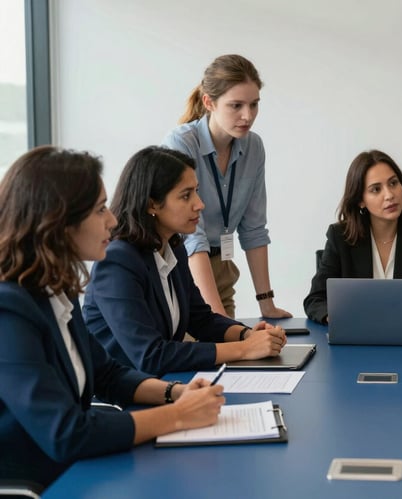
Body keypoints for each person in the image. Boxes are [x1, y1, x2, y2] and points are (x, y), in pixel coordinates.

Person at [0, 146, 225, 489]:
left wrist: (176, 393)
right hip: (41, 481)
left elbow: (107, 374)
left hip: (75, 469)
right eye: (99, 209)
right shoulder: (8, 311)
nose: (113, 220)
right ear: (57, 223)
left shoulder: (55, 290)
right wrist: (178, 415)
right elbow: (66, 433)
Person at [83, 146, 286, 376]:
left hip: (162, 384)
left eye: (197, 191)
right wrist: (243, 349)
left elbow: (201, 319)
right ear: (152, 205)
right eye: (186, 195)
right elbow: (151, 356)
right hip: (123, 399)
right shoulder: (117, 261)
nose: (200, 204)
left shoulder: (174, 248)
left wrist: (247, 334)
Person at [162, 54, 290, 319]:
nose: (248, 115)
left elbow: (253, 228)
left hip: (222, 267)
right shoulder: (182, 143)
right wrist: (217, 319)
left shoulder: (254, 147)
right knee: (204, 352)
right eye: (236, 105)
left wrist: (266, 304)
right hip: (183, 269)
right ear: (209, 102)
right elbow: (192, 238)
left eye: (254, 105)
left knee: (230, 357)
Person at [304, 149, 402, 324]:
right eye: (376, 189)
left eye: (393, 183)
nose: (389, 195)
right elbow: (315, 300)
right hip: (356, 338)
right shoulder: (340, 237)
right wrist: (338, 319)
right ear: (361, 200)